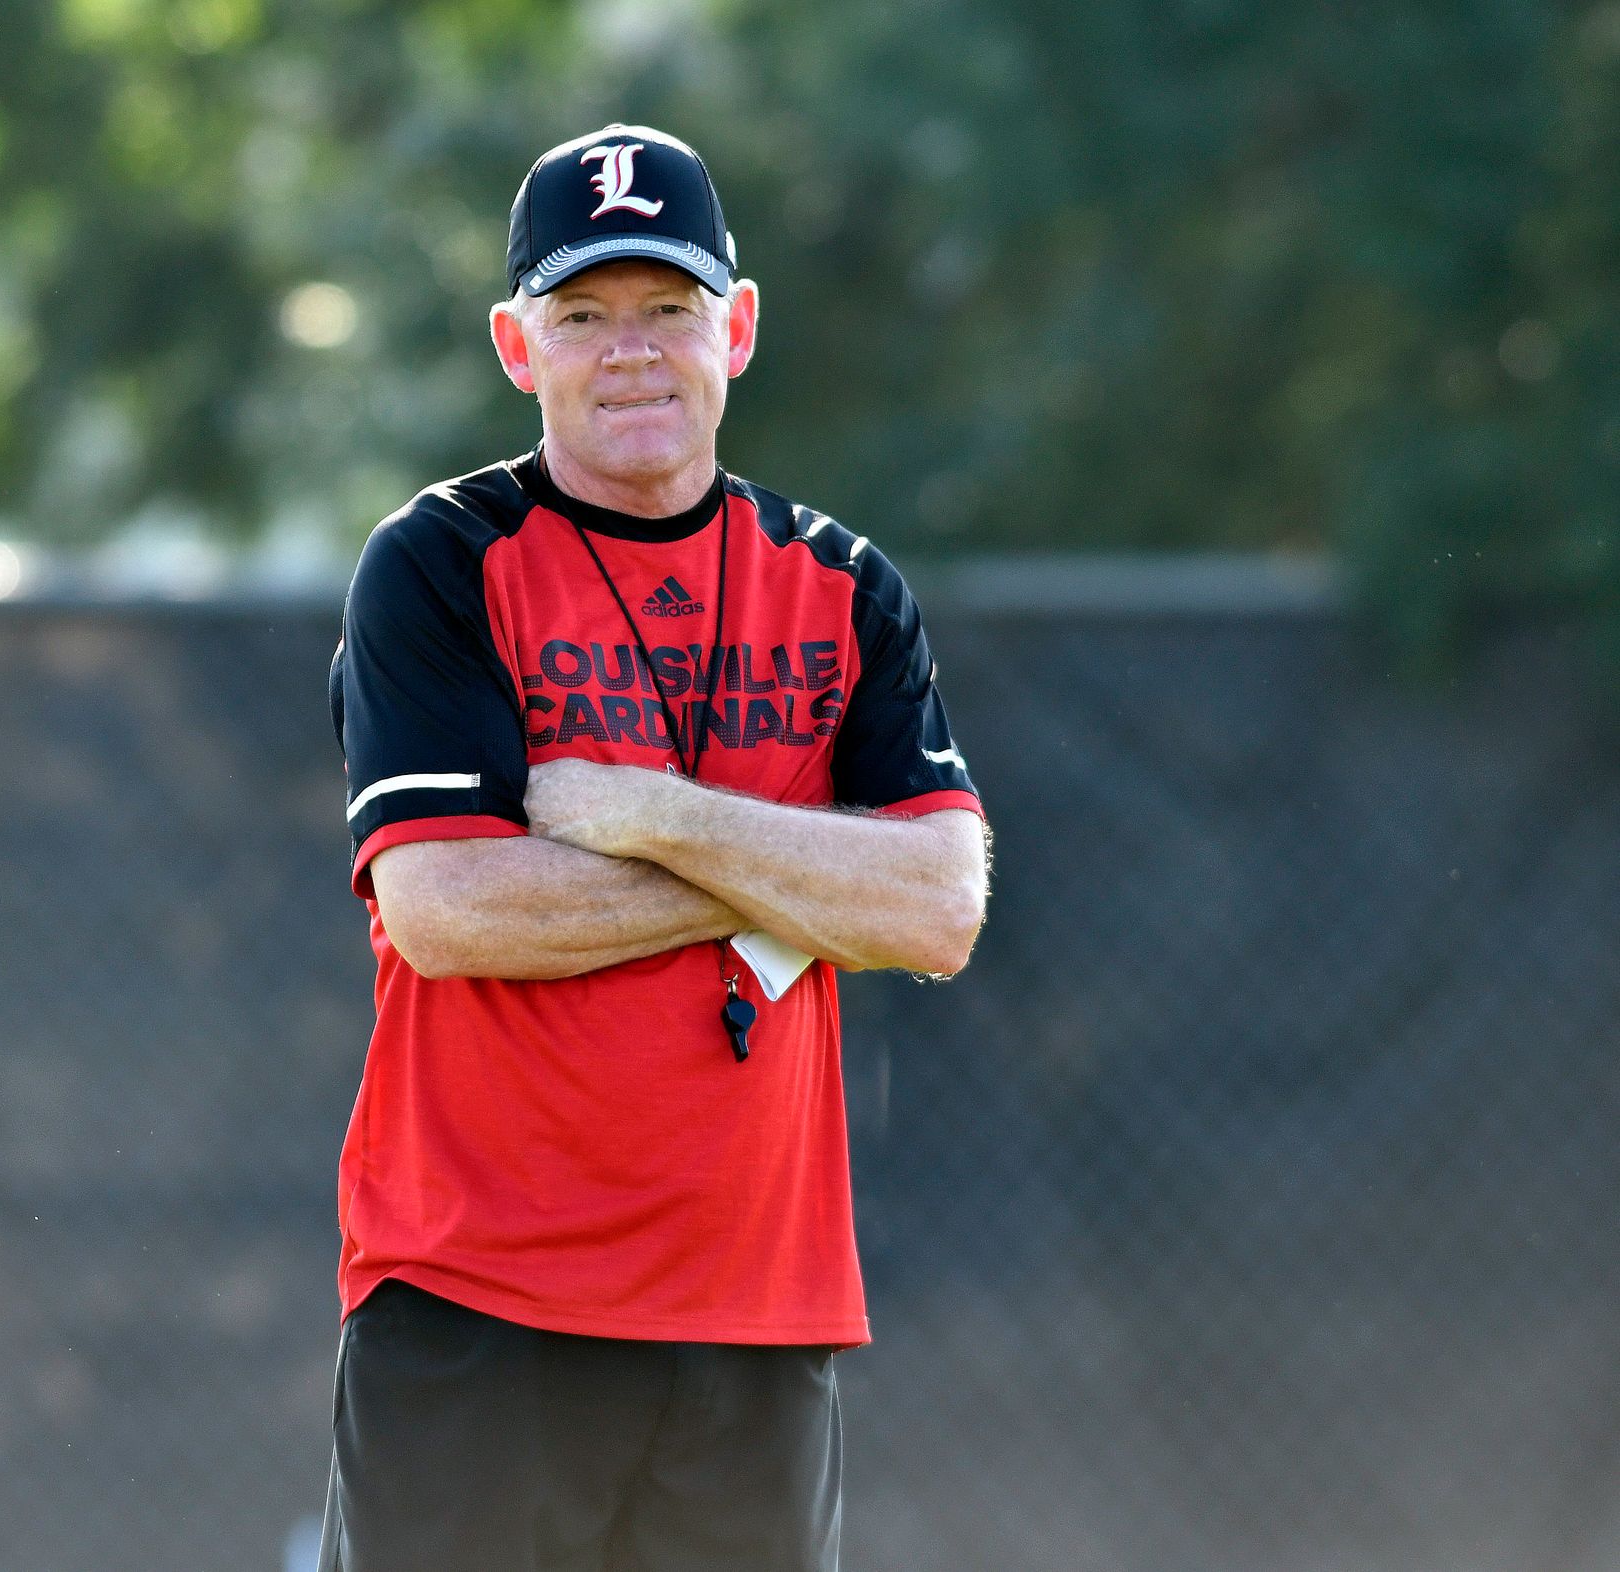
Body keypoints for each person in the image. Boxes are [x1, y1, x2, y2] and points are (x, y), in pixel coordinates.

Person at [322, 123, 990, 1572]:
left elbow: (938, 907)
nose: (632, 354)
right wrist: (799, 880)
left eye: (669, 309)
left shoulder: (843, 584)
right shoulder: (439, 561)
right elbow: (450, 910)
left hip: (758, 1309)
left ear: (737, 328)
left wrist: (658, 815)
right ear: (519, 345)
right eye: (583, 316)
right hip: (478, 1301)